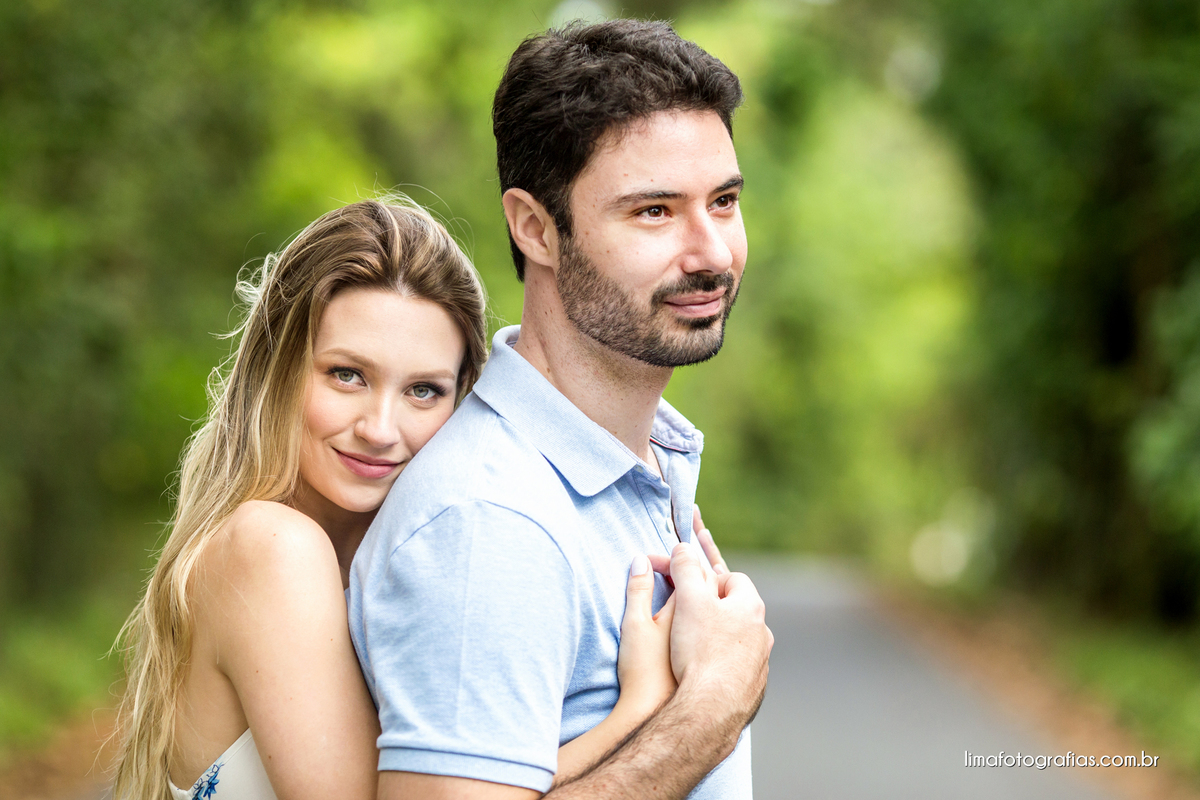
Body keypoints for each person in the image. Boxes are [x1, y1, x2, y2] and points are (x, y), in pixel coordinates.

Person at [110, 197, 696, 800]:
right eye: (347, 375)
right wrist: (644, 711)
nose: (380, 428)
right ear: (278, 371)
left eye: (423, 390)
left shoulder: (396, 556)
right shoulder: (273, 547)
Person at [350, 19, 773, 800]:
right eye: (654, 211)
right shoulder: (490, 520)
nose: (711, 250)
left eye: (723, 200)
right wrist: (712, 709)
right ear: (536, 228)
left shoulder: (637, 465)